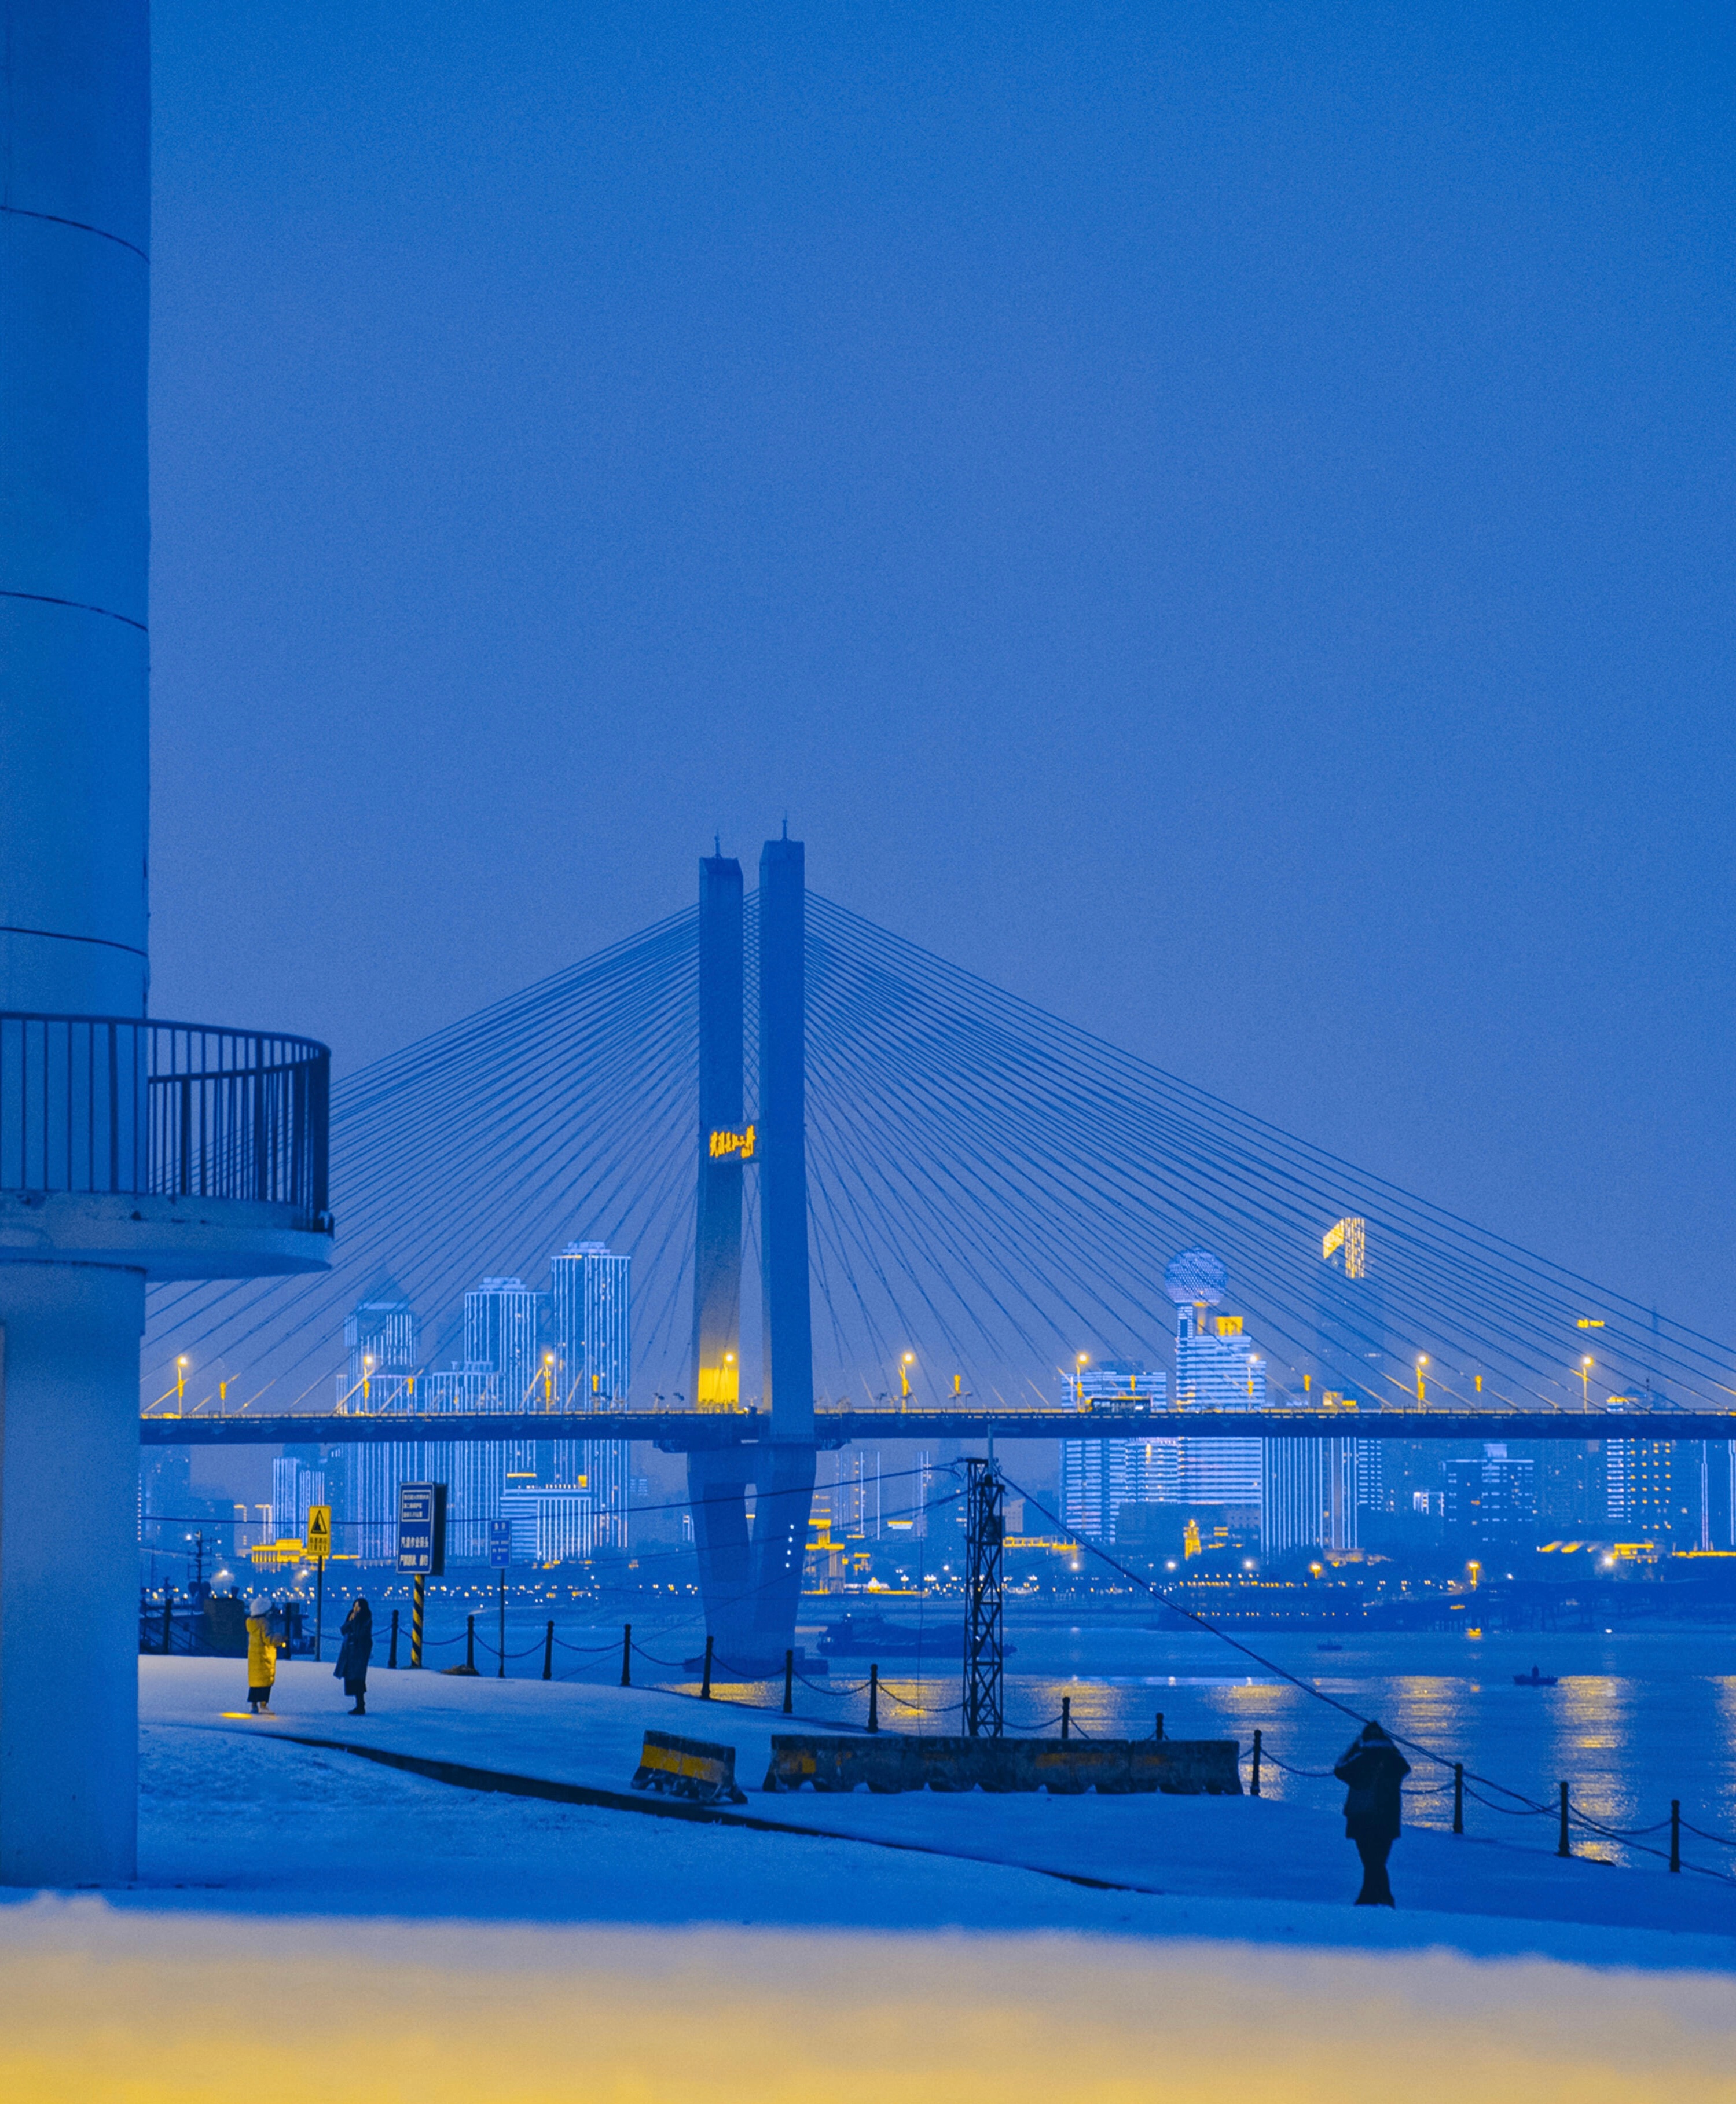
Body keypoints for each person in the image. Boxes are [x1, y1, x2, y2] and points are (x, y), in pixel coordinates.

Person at [1334, 1719, 1411, 1906]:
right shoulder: (1394, 1760)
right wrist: (1391, 1745)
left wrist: (1356, 1744)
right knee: (1377, 1861)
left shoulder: (1361, 1759)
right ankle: (1377, 1897)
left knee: (1371, 1861)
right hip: (1388, 1820)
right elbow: (1406, 1768)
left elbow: (1339, 1768)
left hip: (1363, 1818)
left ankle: (1373, 1898)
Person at [335, 1595, 373, 1716]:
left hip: (360, 1652)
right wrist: (351, 1621)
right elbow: (343, 1630)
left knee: (358, 1678)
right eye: (355, 1606)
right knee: (352, 1677)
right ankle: (359, 1704)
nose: (356, 1609)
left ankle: (360, 1705)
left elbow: (361, 1634)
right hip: (350, 1652)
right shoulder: (352, 1617)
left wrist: (354, 1621)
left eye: (358, 1606)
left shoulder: (366, 1619)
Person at [245, 1597, 277, 1714]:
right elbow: (268, 1639)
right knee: (265, 1684)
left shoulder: (252, 1624)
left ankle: (254, 1705)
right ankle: (264, 1705)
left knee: (255, 1684)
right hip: (264, 1658)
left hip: (254, 1659)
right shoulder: (264, 1623)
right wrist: (281, 1638)